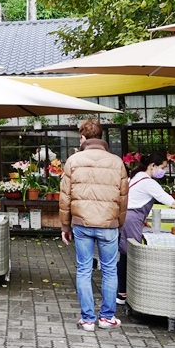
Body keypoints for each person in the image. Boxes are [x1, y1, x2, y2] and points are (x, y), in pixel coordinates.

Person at [60, 119, 128, 332]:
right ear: (102, 137)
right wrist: (120, 224)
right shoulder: (116, 162)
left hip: (81, 223)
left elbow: (65, 196)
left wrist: (65, 226)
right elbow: (124, 197)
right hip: (109, 223)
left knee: (84, 270)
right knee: (109, 270)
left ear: (83, 137)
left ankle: (88, 320)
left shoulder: (73, 160)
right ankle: (107, 318)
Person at [117, 152, 175, 305]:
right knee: (129, 255)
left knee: (125, 254)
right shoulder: (148, 182)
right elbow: (173, 203)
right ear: (152, 166)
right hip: (132, 219)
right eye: (163, 167)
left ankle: (121, 291)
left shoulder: (136, 177)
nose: (163, 170)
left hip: (127, 217)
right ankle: (122, 292)